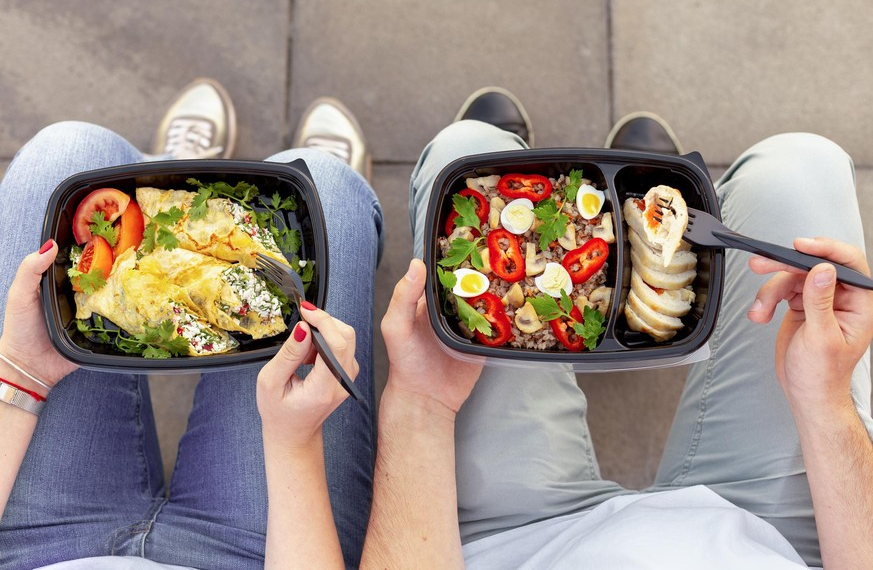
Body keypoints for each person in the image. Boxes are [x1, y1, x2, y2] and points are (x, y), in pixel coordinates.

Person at [362, 87, 873, 568]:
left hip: (515, 545)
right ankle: (650, 200)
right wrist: (825, 402)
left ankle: (536, 163)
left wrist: (420, 403)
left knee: (468, 146)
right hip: (773, 543)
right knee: (802, 167)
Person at [0, 79, 383, 569]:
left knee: (66, 149)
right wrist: (294, 443)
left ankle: (164, 185)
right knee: (327, 187)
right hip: (254, 557)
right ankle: (203, 191)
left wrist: (19, 371)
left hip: (31, 550)